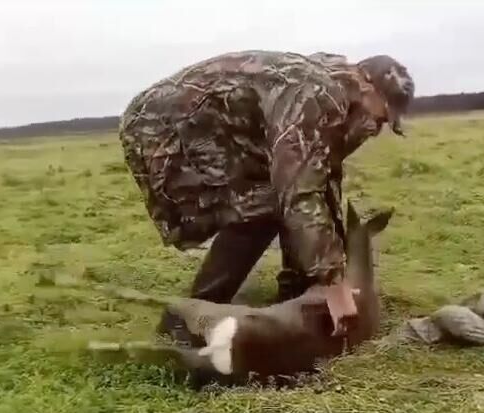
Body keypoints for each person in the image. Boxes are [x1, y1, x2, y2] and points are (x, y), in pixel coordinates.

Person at [119, 50, 414, 341]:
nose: (376, 129)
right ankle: (192, 315)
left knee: (282, 197)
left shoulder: (338, 94)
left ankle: (295, 294)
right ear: (365, 86)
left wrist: (324, 271)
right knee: (260, 207)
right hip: (165, 125)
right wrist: (334, 283)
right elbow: (300, 193)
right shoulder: (316, 96)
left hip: (216, 129)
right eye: (380, 116)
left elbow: (322, 179)